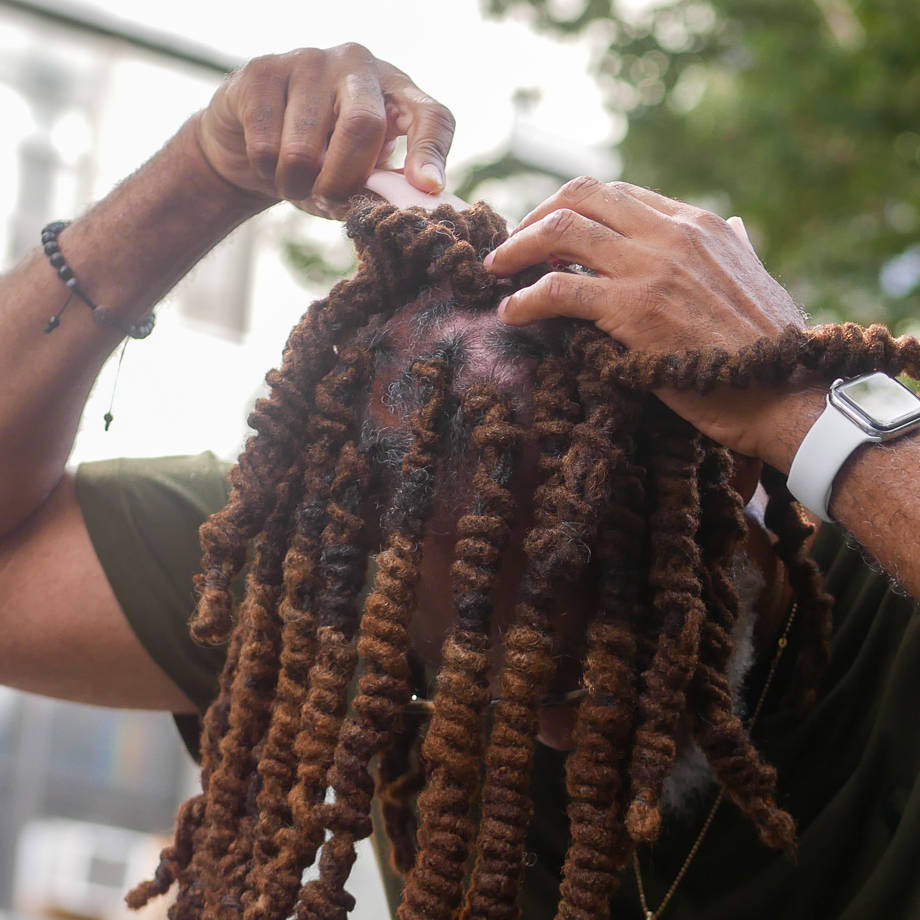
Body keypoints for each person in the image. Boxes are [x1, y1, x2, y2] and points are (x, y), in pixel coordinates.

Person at [0, 42, 918, 920]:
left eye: (580, 675)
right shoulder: (345, 574)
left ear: (735, 467)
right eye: (454, 674)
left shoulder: (887, 591)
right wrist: (204, 171)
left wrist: (804, 406)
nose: (544, 733)